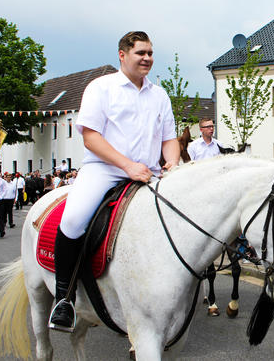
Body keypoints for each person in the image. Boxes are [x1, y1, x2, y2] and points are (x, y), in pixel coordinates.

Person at [48, 31, 179, 332]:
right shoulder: (101, 88)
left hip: (148, 172)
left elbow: (169, 139)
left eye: (150, 53)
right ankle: (63, 299)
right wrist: (127, 166)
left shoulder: (159, 95)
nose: (147, 58)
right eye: (140, 53)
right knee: (74, 220)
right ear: (122, 55)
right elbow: (91, 137)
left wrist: (171, 161)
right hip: (105, 169)